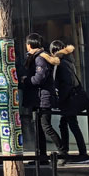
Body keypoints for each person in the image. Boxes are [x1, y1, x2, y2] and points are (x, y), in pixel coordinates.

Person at [53, 42, 89, 164]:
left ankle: (81, 153)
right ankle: (67, 151)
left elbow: (66, 84)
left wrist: (60, 99)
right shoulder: (68, 61)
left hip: (68, 99)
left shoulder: (62, 64)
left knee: (72, 125)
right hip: (69, 98)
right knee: (65, 124)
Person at [30, 37, 65, 165]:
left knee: (46, 127)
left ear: (30, 45)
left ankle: (62, 151)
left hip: (43, 98)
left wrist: (27, 80)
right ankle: (42, 156)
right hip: (39, 98)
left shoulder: (40, 58)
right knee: (39, 128)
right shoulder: (38, 57)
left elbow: (40, 78)